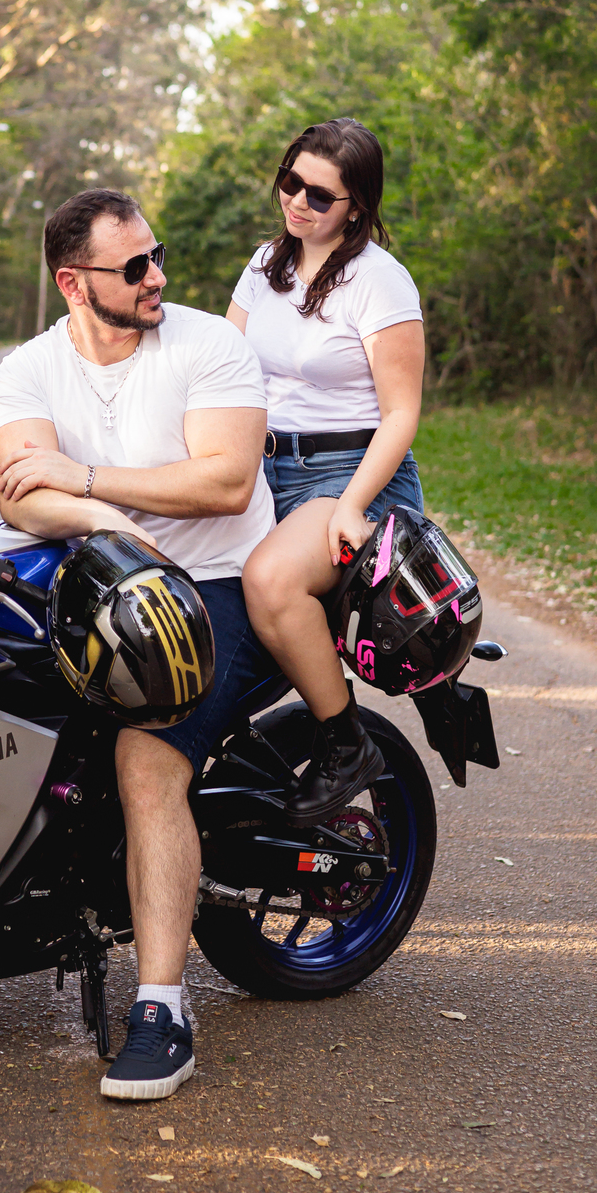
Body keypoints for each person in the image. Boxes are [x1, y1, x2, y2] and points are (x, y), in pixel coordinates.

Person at [0, 187, 275, 1101]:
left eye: (159, 256)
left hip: (220, 585)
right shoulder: (29, 369)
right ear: (74, 284)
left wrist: (84, 478)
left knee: (145, 760)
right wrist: (105, 516)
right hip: (105, 583)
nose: (159, 277)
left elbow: (227, 482)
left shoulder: (209, 345)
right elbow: (16, 493)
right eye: (135, 266)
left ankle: (163, 1007)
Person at [228, 117, 426, 825]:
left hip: (351, 473)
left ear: (357, 207)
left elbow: (401, 414)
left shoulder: (380, 281)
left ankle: (347, 743)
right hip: (265, 468)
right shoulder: (264, 264)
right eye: (291, 181)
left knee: (271, 580)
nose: (298, 202)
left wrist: (351, 506)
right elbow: (228, 375)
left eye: (320, 193)